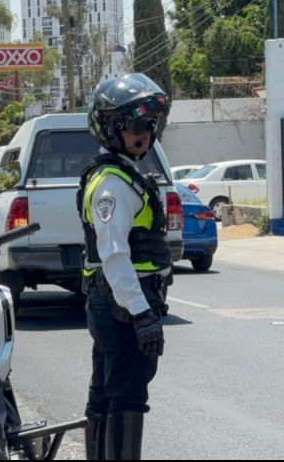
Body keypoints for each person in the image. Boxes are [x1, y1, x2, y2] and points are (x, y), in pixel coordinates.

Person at [77, 74, 172, 460]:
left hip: (114, 302)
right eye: (133, 126)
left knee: (106, 391)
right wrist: (141, 313)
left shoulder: (123, 174)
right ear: (111, 129)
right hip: (121, 305)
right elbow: (115, 255)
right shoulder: (113, 184)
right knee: (126, 397)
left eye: (147, 126)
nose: (142, 134)